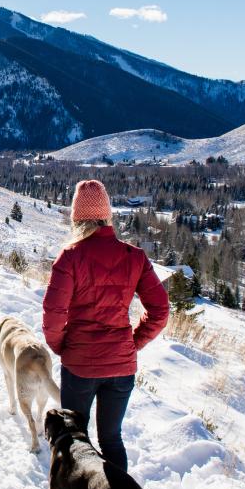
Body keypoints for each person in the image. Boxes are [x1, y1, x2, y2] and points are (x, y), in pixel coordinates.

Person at [42, 180, 170, 473]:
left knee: (76, 439)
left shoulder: (70, 257)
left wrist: (62, 346)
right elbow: (160, 310)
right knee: (112, 439)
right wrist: (133, 342)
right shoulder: (134, 257)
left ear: (77, 217)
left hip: (80, 364)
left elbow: (52, 313)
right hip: (121, 366)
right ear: (107, 215)